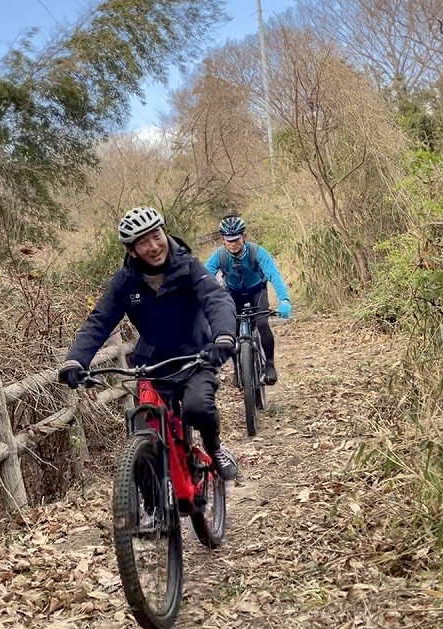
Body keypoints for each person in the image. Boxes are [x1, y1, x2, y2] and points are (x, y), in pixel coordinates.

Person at [59, 206, 240, 481]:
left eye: (156, 235)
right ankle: (149, 503)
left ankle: (215, 448)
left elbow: (216, 299)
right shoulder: (125, 282)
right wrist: (76, 360)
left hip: (197, 357)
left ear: (165, 233)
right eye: (143, 242)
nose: (154, 246)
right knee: (146, 427)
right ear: (132, 251)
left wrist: (224, 336)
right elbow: (99, 321)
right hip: (153, 364)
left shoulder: (188, 267)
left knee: (197, 407)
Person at [204, 214, 291, 385]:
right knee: (231, 330)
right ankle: (238, 368)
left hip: (257, 291)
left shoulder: (257, 252)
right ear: (223, 239)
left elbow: (274, 275)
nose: (233, 243)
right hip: (232, 293)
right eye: (229, 240)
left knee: (262, 323)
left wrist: (284, 300)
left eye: (236, 239)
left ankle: (270, 365)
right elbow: (204, 278)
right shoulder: (219, 256)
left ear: (243, 236)